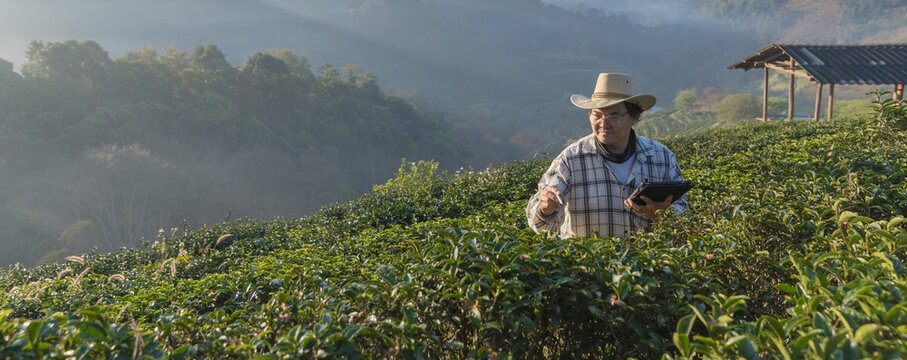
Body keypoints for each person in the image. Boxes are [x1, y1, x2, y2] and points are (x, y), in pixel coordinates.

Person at [526, 73, 689, 238]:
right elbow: (538, 222)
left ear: (633, 117)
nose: (603, 123)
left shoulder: (661, 158)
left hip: (647, 262)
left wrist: (661, 215)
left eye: (614, 115)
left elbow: (683, 211)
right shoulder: (571, 159)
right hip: (590, 262)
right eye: (597, 115)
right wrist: (545, 209)